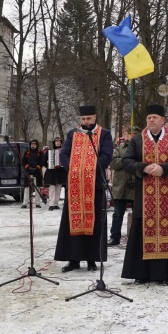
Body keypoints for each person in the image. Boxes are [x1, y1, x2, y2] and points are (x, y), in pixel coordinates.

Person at [121, 104, 168, 285]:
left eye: (155, 117)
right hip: (143, 197)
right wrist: (143, 167)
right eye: (149, 117)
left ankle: (162, 275)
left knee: (165, 232)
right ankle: (141, 273)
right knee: (140, 231)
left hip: (166, 197)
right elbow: (126, 161)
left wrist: (163, 169)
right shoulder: (137, 140)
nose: (151, 120)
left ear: (163, 120)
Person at [54, 105, 113, 272]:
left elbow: (107, 155)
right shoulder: (73, 134)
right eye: (83, 119)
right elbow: (64, 154)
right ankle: (73, 259)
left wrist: (89, 167)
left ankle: (92, 259)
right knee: (73, 221)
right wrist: (73, 167)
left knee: (93, 222)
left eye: (89, 118)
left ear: (95, 117)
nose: (86, 122)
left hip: (94, 185)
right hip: (75, 184)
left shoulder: (104, 134)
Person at [108, 127, 137, 246]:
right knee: (118, 214)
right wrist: (126, 160)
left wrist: (137, 179)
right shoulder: (120, 148)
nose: (132, 136)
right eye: (131, 133)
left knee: (137, 215)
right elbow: (112, 163)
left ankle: (136, 238)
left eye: (135, 134)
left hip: (135, 186)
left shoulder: (142, 148)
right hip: (120, 186)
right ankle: (115, 237)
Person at [44, 137, 66, 211]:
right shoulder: (49, 151)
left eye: (59, 142)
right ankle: (51, 204)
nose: (58, 143)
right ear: (54, 143)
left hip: (60, 171)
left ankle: (56, 203)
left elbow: (66, 159)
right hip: (51, 172)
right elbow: (43, 161)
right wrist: (48, 163)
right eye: (56, 142)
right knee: (52, 188)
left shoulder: (63, 151)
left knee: (58, 188)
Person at [21, 139, 44, 209]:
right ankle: (25, 203)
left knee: (37, 188)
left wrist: (37, 167)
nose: (33, 146)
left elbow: (42, 162)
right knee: (27, 188)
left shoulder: (40, 153)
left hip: (37, 173)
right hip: (28, 172)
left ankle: (37, 203)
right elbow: (23, 162)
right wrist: (28, 167)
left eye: (34, 144)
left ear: (37, 145)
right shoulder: (27, 153)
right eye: (32, 144)